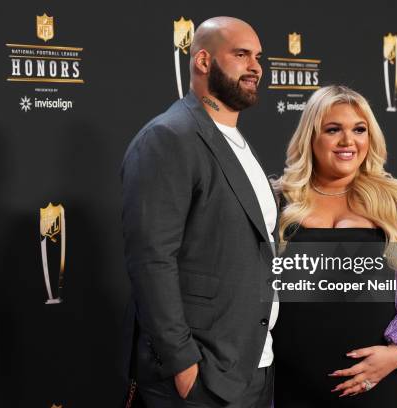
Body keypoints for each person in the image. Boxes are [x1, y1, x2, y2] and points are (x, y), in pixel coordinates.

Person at [120, 16, 277, 407]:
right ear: (203, 61)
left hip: (253, 365)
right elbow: (152, 260)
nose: (255, 66)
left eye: (257, 56)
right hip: (201, 377)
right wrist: (183, 365)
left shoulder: (237, 142)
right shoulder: (168, 137)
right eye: (241, 54)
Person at [272, 85, 397, 408]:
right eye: (333, 130)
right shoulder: (275, 202)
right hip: (288, 388)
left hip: (380, 390)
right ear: (310, 136)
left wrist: (396, 354)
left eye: (359, 129)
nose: (348, 141)